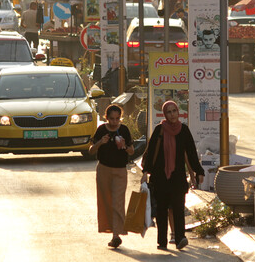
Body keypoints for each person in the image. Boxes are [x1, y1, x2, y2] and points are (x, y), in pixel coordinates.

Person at [142, 101, 204, 251]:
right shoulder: (159, 130)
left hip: (177, 177)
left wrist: (199, 171)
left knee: (178, 208)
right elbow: (150, 153)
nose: (172, 114)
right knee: (162, 209)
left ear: (178, 112)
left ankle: (180, 238)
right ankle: (162, 241)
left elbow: (191, 153)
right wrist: (145, 172)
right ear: (165, 114)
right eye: (169, 112)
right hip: (160, 177)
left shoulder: (184, 131)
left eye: (174, 111)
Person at [87, 104, 134, 248]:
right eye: (112, 119)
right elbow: (91, 150)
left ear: (120, 118)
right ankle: (112, 230)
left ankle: (116, 235)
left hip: (120, 170)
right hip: (104, 169)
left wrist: (124, 146)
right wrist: (101, 142)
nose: (114, 122)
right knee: (106, 201)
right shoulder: (101, 130)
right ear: (106, 118)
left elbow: (132, 151)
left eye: (117, 119)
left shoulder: (124, 130)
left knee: (118, 202)